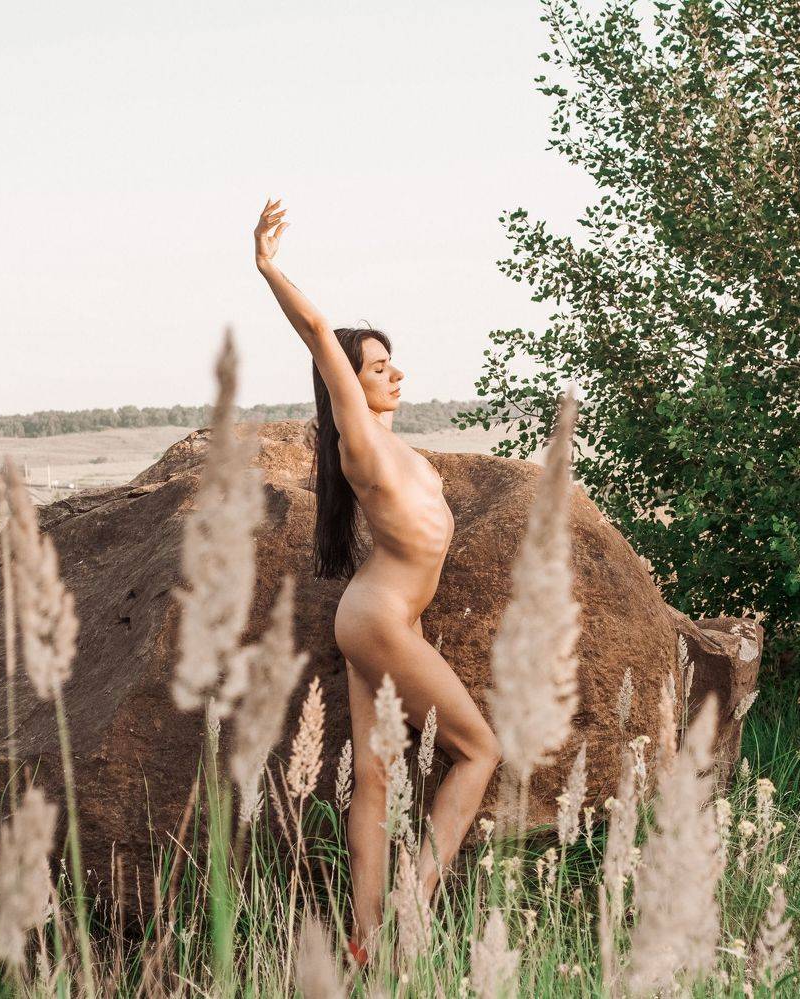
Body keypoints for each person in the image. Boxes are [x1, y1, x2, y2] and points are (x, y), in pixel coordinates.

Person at [254, 197, 503, 967]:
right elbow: (318, 331)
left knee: (373, 774)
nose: (395, 374)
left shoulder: (402, 453)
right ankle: (410, 904)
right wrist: (268, 266)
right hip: (379, 617)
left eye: (393, 363)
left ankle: (364, 942)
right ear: (349, 387)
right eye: (377, 367)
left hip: (384, 618)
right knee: (480, 750)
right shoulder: (359, 442)